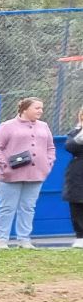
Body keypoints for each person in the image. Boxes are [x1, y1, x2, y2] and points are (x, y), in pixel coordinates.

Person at [0, 96, 55, 249]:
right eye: (37, 108)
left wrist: (48, 163)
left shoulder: (44, 126)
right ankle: (2, 240)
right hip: (9, 175)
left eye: (41, 108)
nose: (41, 111)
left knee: (28, 207)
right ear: (25, 109)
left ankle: (24, 240)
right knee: (7, 207)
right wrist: (4, 166)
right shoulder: (7, 126)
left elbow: (50, 147)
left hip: (36, 174)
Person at [63, 105, 83, 249]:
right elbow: (70, 146)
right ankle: (80, 236)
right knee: (77, 202)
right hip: (78, 171)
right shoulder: (75, 132)